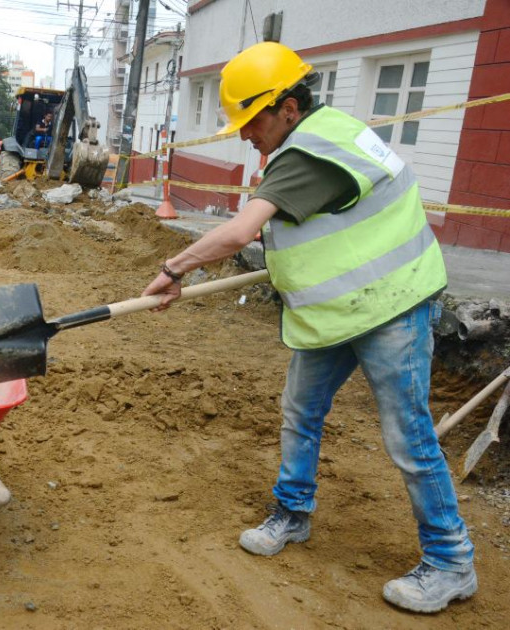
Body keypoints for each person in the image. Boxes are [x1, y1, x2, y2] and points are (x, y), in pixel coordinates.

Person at [142, 41, 475, 614]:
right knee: (301, 411)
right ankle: (292, 513)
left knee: (409, 437)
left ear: (289, 108)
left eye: (253, 121)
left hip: (393, 306)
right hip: (340, 311)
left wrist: (173, 270)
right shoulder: (323, 136)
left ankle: (451, 561)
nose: (247, 135)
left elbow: (238, 232)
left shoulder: (307, 155)